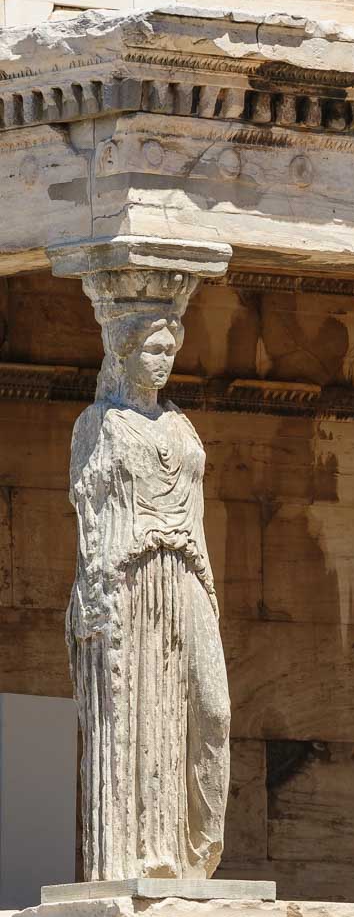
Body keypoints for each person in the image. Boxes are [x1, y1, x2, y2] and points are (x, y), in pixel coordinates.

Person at [68, 304, 230, 881]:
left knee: (209, 705)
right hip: (129, 576)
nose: (162, 363)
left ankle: (194, 852)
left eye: (169, 352)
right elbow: (90, 513)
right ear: (123, 353)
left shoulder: (181, 426)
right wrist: (98, 597)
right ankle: (144, 855)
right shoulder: (98, 424)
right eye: (152, 351)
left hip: (186, 573)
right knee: (135, 707)